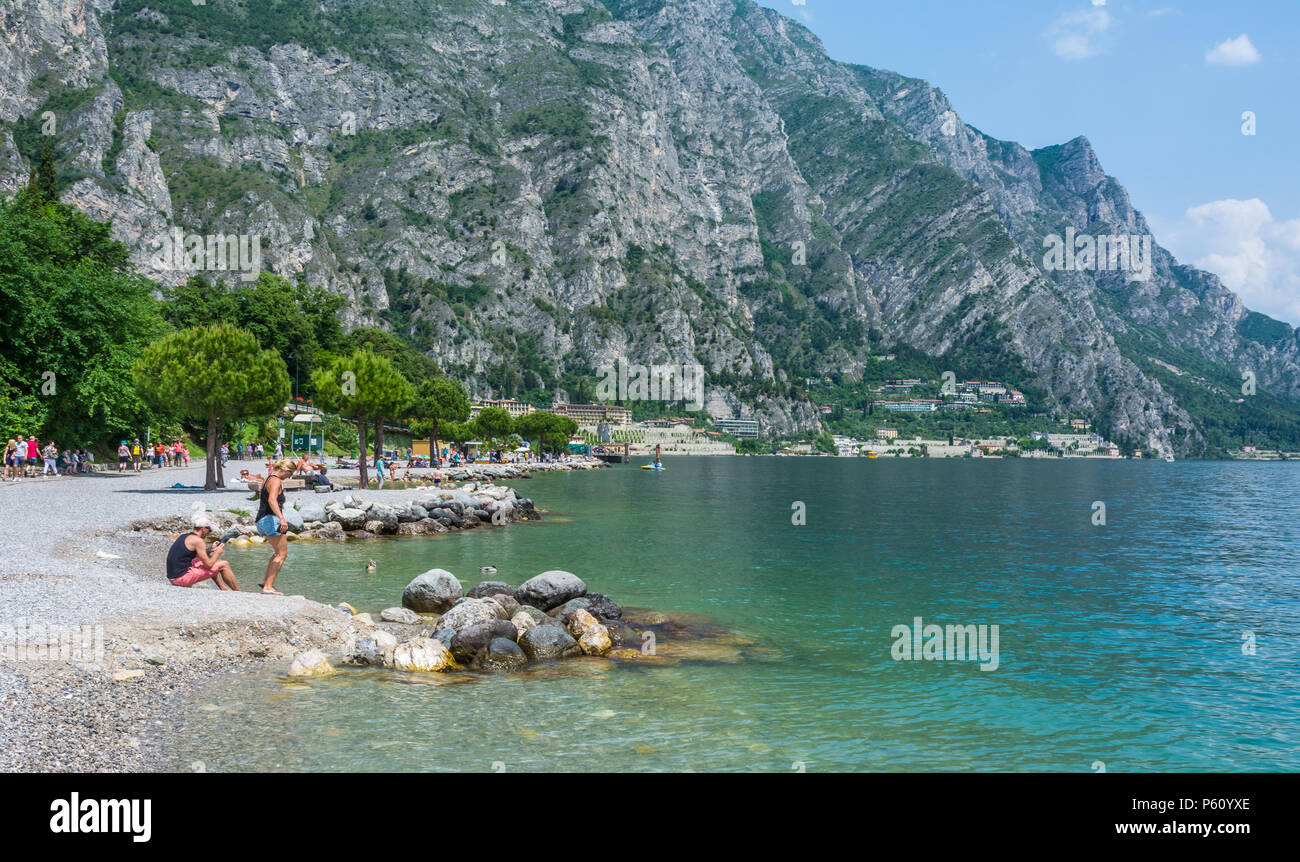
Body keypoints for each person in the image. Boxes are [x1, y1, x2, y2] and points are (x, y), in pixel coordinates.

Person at [166, 514, 240, 590]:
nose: (210, 532)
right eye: (209, 530)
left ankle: (222, 587)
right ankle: (238, 592)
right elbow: (209, 565)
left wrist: (210, 550)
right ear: (203, 528)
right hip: (181, 579)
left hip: (173, 577)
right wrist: (217, 553)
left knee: (204, 560)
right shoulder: (198, 541)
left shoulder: (185, 536)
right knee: (224, 564)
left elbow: (195, 555)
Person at [254, 459, 295, 595]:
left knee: (277, 553)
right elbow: (272, 500)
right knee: (282, 554)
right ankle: (268, 587)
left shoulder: (268, 478)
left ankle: (266, 581)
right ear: (285, 470)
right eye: (290, 473)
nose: (289, 476)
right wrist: (282, 519)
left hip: (262, 520)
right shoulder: (277, 480)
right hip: (271, 519)